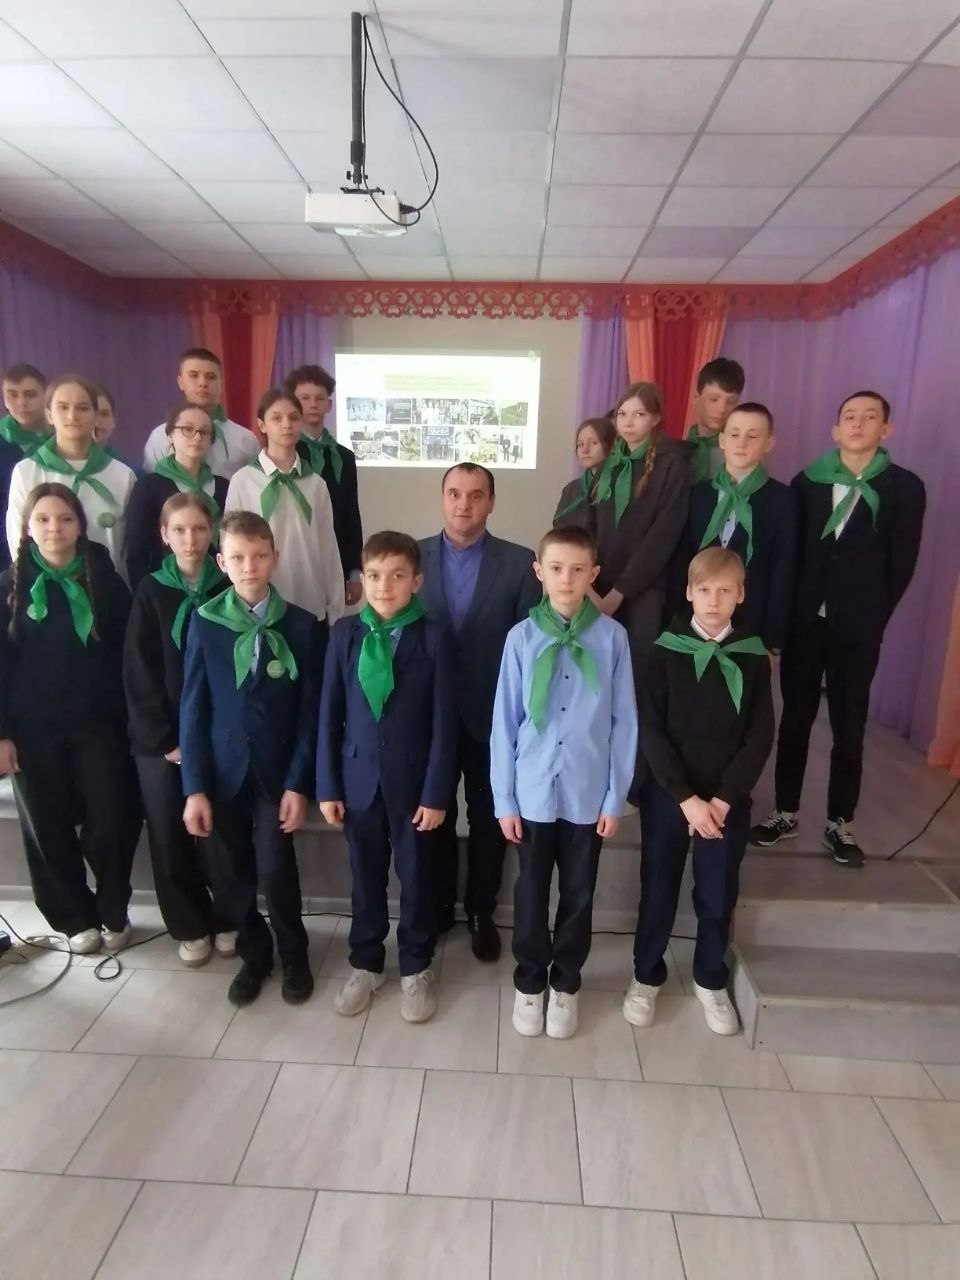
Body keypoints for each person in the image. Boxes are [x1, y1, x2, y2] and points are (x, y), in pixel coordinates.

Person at [751, 391, 926, 866]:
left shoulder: (904, 487)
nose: (858, 424)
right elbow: (791, 557)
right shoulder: (806, 483)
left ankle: (839, 822)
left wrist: (872, 615)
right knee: (795, 719)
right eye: (849, 416)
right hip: (805, 623)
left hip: (857, 626)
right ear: (835, 429)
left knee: (850, 725)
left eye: (869, 417)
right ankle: (785, 812)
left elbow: (901, 564)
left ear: (885, 429)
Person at [492, 526, 636, 1040]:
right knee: (531, 891)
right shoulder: (520, 638)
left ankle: (567, 982)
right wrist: (504, 799)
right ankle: (530, 981)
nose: (567, 579)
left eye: (578, 570)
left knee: (579, 891)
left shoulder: (613, 639)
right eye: (556, 568)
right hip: (532, 793)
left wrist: (615, 798)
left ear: (594, 574)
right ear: (540, 572)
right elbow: (504, 723)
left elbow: (624, 723)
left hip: (586, 795)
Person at [624, 548, 774, 1036]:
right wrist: (685, 797)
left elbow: (760, 736)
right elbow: (651, 729)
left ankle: (710, 977)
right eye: (705, 590)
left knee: (717, 890)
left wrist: (724, 799)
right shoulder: (663, 651)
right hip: (670, 797)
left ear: (740, 595)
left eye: (724, 591)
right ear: (689, 592)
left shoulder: (753, 656)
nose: (713, 600)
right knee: (658, 886)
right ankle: (646, 974)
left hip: (726, 802)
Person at [181, 511, 326, 1007]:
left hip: (276, 774)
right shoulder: (205, 623)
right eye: (238, 558)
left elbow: (310, 714)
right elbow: (193, 708)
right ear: (222, 562)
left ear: (274, 558)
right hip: (223, 774)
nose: (249, 566)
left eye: (259, 556)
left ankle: (294, 955)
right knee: (231, 872)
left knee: (276, 868)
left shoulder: (301, 625)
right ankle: (254, 954)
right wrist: (195, 787)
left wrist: (298, 782)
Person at [317, 531, 456, 1023]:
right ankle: (366, 962)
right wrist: (328, 785)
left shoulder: (434, 636)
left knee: (417, 876)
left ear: (416, 581)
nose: (383, 586)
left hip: (414, 785)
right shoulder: (345, 634)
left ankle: (416, 965)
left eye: (397, 576)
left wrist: (437, 792)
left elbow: (444, 723)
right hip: (358, 781)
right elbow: (329, 713)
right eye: (374, 575)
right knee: (365, 877)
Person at [0, 483, 141, 954]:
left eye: (64, 519)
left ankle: (113, 908)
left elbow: (128, 654)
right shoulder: (9, 586)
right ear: (27, 527)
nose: (54, 529)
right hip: (32, 730)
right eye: (42, 520)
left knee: (112, 817)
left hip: (98, 725)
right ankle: (74, 917)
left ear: (80, 525)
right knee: (47, 825)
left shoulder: (104, 580)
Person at [418, 463, 540, 961]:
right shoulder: (413, 557)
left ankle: (480, 911)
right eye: (454, 493)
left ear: (491, 502)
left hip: (495, 716)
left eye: (475, 495)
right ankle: (439, 905)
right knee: (434, 815)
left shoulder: (521, 563)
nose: (463, 504)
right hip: (429, 718)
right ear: (442, 498)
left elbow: (531, 648)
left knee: (489, 818)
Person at [123, 493, 235, 967]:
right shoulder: (150, 592)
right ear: (164, 536)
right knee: (169, 833)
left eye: (200, 529)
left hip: (214, 735)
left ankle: (229, 917)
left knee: (220, 833)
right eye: (180, 530)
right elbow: (139, 672)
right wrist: (168, 740)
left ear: (213, 534)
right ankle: (189, 925)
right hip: (163, 742)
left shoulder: (227, 585)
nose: (191, 539)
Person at [591, 381, 689, 703]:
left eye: (639, 414)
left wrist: (620, 592)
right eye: (622, 414)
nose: (629, 422)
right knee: (601, 669)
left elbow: (664, 535)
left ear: (656, 418)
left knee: (638, 675)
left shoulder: (672, 463)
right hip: (602, 583)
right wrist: (592, 586)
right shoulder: (610, 463)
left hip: (644, 587)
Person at [678, 403, 798, 654]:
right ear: (722, 440)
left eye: (752, 436)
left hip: (752, 626)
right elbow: (683, 560)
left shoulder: (783, 500)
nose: (741, 443)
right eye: (734, 434)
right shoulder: (699, 494)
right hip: (697, 623)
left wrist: (772, 641)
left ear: (769, 443)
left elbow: (784, 570)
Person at [224, 389, 344, 625]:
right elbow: (231, 544)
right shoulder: (244, 480)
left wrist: (335, 606)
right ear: (262, 424)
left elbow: (328, 547)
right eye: (276, 418)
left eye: (293, 417)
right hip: (261, 603)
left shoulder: (316, 484)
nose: (286, 425)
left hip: (310, 598)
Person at [6, 375, 137, 577]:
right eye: (63, 407)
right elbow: (17, 538)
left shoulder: (122, 475)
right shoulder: (27, 472)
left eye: (83, 408)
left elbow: (129, 545)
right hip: (43, 586)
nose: (72, 416)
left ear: (96, 416)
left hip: (106, 585)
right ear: (49, 415)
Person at [284, 364, 364, 607]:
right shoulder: (284, 452)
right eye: (305, 398)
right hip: (293, 560)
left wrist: (354, 571)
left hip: (336, 558)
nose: (313, 404)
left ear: (329, 405)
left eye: (320, 398)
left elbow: (351, 514)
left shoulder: (343, 456)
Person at [126, 403, 229, 589]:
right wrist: (146, 595)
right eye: (187, 429)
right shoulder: (149, 486)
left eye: (204, 432)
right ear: (170, 434)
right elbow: (136, 551)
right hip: (166, 590)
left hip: (218, 589)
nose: (197, 437)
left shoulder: (224, 486)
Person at [142, 348, 258, 480]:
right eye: (194, 375)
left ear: (221, 383)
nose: (203, 383)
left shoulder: (246, 440)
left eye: (211, 377)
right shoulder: (160, 436)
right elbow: (151, 485)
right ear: (180, 382)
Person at [685, 357, 745, 485]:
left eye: (731, 402)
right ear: (696, 397)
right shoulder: (681, 449)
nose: (722, 409)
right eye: (713, 399)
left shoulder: (741, 453)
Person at [553, 416, 617, 530]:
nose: (585, 450)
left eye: (593, 443)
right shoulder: (571, 489)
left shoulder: (618, 486)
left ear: (611, 446)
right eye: (580, 444)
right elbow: (559, 529)